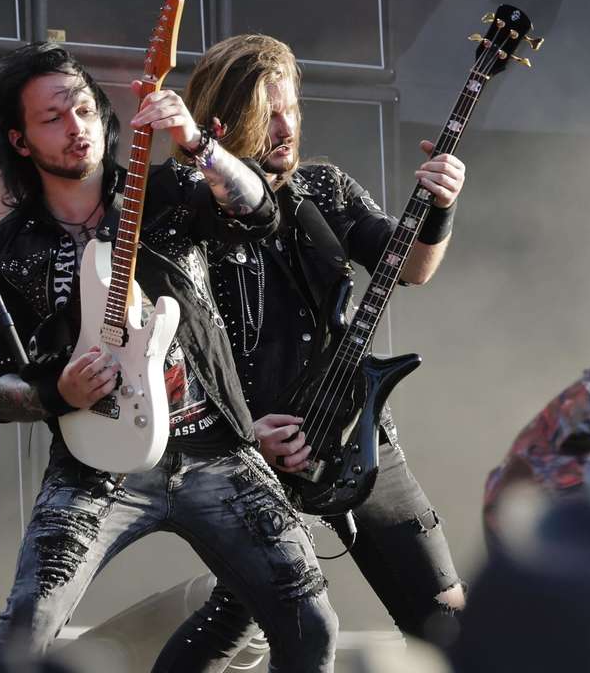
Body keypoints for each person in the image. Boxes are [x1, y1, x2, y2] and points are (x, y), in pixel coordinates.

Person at [0, 43, 337, 670]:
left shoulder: (165, 191)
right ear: (20, 140)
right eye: (53, 118)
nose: (77, 128)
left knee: (311, 621)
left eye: (86, 110)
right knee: (22, 635)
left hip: (213, 451)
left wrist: (199, 144)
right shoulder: (9, 251)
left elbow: (259, 212)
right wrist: (56, 393)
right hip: (96, 463)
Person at [153, 34, 466, 671]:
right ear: (219, 120)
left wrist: (440, 206)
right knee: (240, 623)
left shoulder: (322, 188)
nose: (284, 126)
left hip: (355, 434)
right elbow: (165, 347)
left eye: (290, 108)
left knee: (447, 617)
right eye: (266, 113)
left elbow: (408, 266)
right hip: (253, 453)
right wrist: (243, 437)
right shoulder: (185, 207)